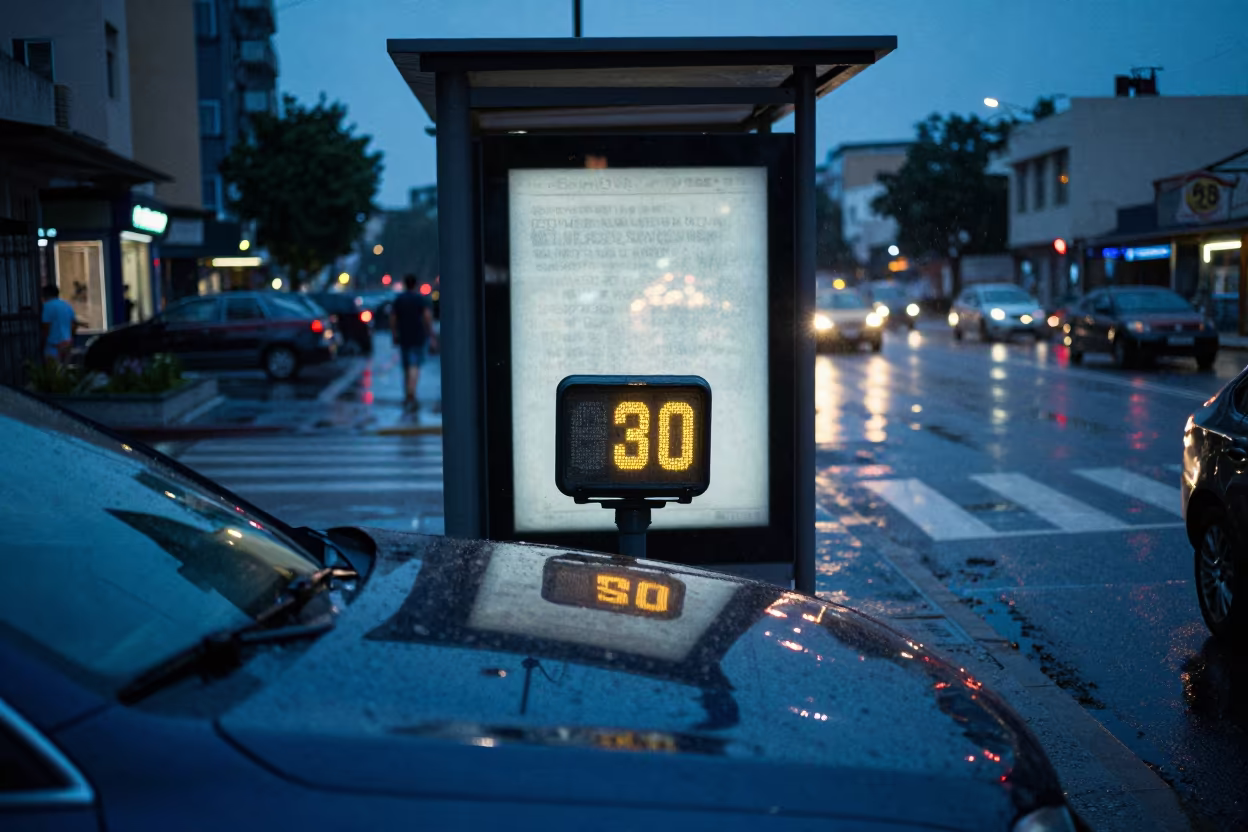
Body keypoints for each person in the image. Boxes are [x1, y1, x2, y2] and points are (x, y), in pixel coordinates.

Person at [390, 274, 436, 412]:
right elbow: (427, 318)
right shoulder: (420, 300)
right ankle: (412, 393)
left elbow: (392, 318)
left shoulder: (399, 300)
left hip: (404, 336)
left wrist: (394, 334)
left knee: (406, 366)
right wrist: (431, 335)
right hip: (418, 336)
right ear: (415, 284)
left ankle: (407, 394)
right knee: (415, 365)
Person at [40, 284, 77, 364]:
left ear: (45, 295)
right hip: (67, 344)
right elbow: (73, 324)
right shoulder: (66, 305)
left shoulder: (47, 306)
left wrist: (42, 342)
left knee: (54, 373)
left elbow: (46, 327)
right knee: (64, 372)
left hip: (53, 346)